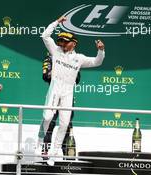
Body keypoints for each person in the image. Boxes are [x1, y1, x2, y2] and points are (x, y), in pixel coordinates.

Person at [41, 16, 105, 165]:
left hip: (68, 91)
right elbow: (45, 35)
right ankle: (48, 147)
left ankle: (54, 153)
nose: (62, 43)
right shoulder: (55, 51)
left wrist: (101, 50)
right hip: (55, 88)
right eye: (61, 41)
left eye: (65, 41)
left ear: (73, 44)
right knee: (48, 117)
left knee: (64, 124)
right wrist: (56, 22)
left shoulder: (79, 58)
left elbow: (97, 62)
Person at [39, 52, 81, 159]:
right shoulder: (50, 57)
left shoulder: (72, 60)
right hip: (54, 95)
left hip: (67, 97)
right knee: (49, 124)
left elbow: (77, 78)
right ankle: (45, 153)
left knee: (67, 125)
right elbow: (46, 75)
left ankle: (68, 156)